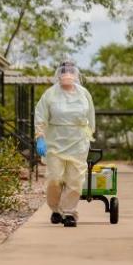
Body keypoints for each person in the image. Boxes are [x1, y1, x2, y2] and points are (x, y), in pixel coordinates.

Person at [34, 60, 96, 228]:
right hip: (55, 141)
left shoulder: (84, 94)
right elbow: (40, 115)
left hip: (78, 142)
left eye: (71, 71)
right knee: (55, 178)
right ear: (59, 75)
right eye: (64, 71)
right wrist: (40, 136)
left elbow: (91, 117)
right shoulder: (50, 94)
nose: (67, 75)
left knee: (75, 179)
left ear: (76, 75)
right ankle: (56, 209)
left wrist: (89, 135)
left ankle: (69, 213)